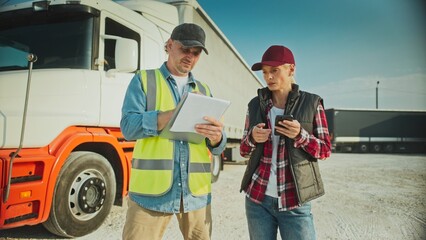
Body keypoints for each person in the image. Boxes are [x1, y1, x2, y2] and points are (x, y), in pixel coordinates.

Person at [120, 23, 227, 240]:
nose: (190, 56)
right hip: (151, 195)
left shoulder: (204, 91)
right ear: (169, 45)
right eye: (185, 49)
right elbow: (129, 128)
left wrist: (217, 139)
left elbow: (217, 147)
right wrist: (172, 114)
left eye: (196, 53)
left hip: (195, 195)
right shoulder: (143, 80)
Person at [239, 45, 331, 240]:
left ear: (291, 69)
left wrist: (300, 135)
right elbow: (243, 150)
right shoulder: (255, 105)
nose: (268, 77)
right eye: (265, 72)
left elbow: (325, 150)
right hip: (258, 199)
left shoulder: (312, 103)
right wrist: (253, 138)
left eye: (274, 70)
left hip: (294, 202)